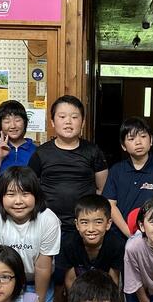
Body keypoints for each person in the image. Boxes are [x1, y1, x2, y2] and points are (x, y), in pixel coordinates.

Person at [0, 166, 61, 302]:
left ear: (36, 195)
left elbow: (43, 266)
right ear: (1, 196)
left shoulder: (48, 219)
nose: (18, 201)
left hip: (38, 282)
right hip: (6, 280)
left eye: (25, 194)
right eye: (11, 194)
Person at [28, 95, 108, 230]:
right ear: (52, 122)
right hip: (47, 224)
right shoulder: (40, 153)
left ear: (82, 123)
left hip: (85, 226)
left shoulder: (93, 151)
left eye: (74, 117)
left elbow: (102, 189)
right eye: (62, 117)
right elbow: (30, 189)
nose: (68, 122)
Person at [102, 117, 153, 240]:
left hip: (151, 237)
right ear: (123, 146)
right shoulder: (116, 170)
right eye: (131, 139)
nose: (138, 142)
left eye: (143, 136)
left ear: (151, 140)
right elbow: (110, 205)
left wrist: (146, 233)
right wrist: (130, 234)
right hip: (118, 235)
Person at [55, 194, 124, 294]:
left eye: (98, 222)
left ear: (108, 224)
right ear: (77, 224)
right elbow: (70, 281)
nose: (91, 229)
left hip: (104, 291)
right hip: (79, 292)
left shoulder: (116, 244)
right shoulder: (68, 244)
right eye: (84, 222)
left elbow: (113, 280)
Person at [0, 99, 36, 188]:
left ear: (25, 122)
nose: (13, 126)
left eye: (17, 120)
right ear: (0, 125)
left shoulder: (36, 151)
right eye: (7, 121)